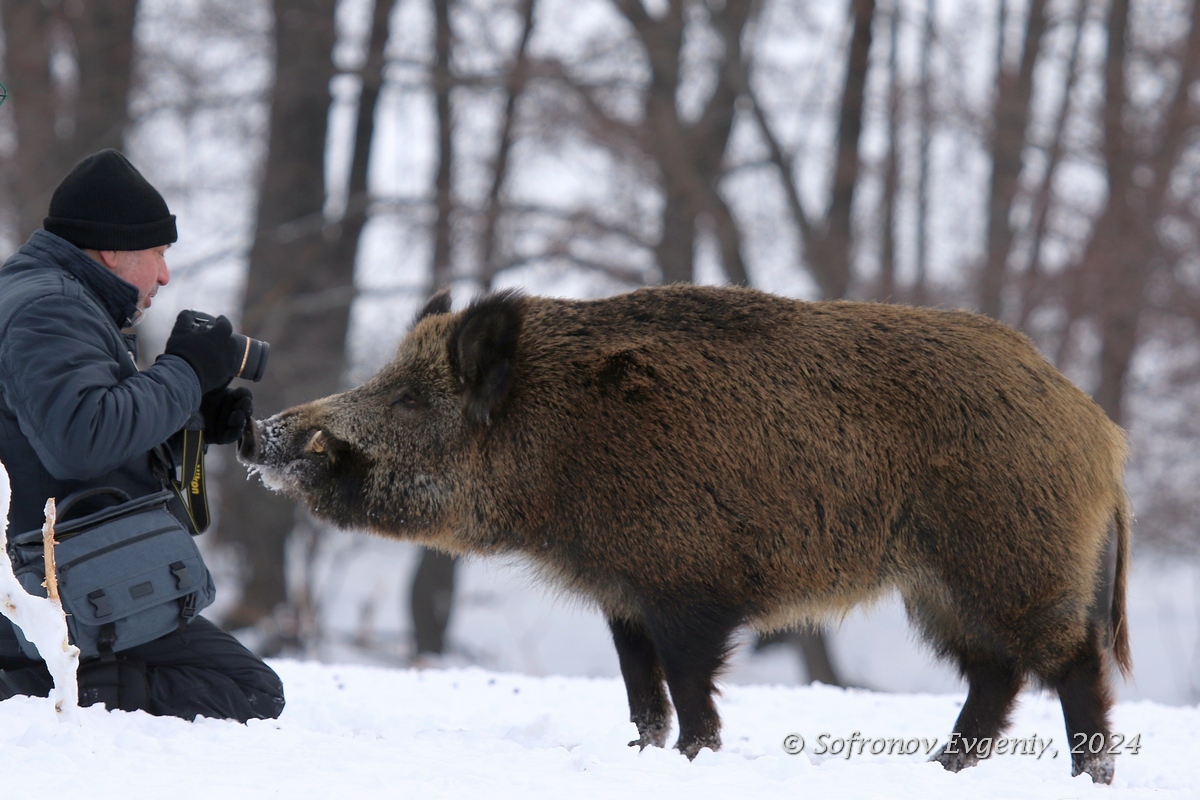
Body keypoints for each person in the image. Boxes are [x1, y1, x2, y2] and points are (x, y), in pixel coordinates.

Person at [0, 149, 284, 721]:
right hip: (48, 584)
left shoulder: (49, 295)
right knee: (248, 691)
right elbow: (83, 439)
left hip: (55, 569)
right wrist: (182, 372)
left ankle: (45, 681)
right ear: (111, 248)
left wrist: (192, 413)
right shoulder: (49, 309)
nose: (164, 274)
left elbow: (60, 432)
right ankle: (36, 696)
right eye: (157, 252)